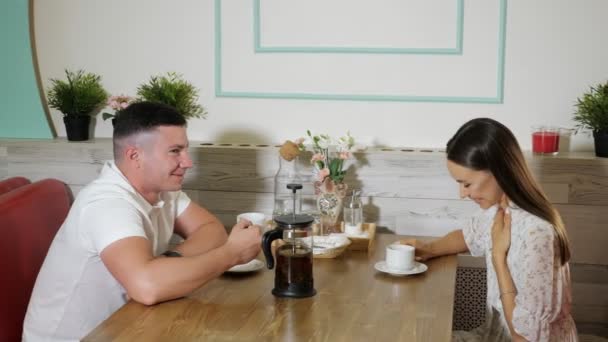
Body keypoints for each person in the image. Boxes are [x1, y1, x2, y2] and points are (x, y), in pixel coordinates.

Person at [23, 102, 262, 341]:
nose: (187, 162)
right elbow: (148, 287)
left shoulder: (163, 189)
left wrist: (168, 262)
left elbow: (211, 230)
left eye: (185, 150)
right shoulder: (107, 203)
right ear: (135, 155)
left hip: (124, 328)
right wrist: (232, 254)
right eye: (175, 151)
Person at [401, 118, 577, 341]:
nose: (462, 194)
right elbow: (467, 235)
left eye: (467, 184)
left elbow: (525, 338)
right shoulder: (500, 210)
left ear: (499, 171)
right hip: (495, 335)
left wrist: (498, 257)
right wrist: (428, 249)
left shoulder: (537, 234)